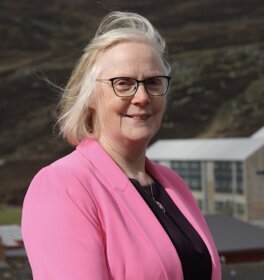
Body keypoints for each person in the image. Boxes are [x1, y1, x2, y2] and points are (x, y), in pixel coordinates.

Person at [21, 11, 221, 280]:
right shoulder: (63, 186)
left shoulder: (175, 186)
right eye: (123, 84)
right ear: (90, 95)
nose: (142, 97)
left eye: (152, 83)